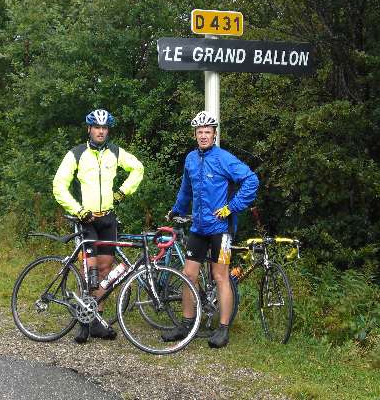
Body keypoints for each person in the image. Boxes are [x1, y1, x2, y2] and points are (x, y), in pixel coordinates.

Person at [164, 110, 259, 348]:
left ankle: (223, 329)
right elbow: (186, 190)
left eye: (207, 132)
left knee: (220, 276)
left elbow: (251, 181)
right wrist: (176, 210)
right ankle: (187, 324)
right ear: (195, 134)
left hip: (221, 229)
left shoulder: (224, 158)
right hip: (198, 227)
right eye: (200, 132)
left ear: (214, 135)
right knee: (188, 275)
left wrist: (231, 207)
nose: (203, 136)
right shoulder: (190, 159)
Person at [53, 108, 144, 344]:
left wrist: (123, 192)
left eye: (104, 128)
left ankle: (97, 322)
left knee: (105, 272)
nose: (101, 131)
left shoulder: (115, 152)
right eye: (97, 127)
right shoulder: (77, 153)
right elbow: (59, 185)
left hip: (108, 218)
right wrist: (78, 210)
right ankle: (83, 323)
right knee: (89, 271)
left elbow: (138, 168)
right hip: (87, 219)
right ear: (89, 129)